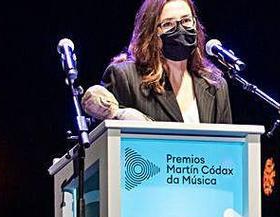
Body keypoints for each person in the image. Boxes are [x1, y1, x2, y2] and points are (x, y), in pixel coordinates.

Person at [93, 0, 232, 124]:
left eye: (186, 21)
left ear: (195, 24)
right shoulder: (124, 77)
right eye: (168, 24)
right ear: (151, 32)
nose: (180, 30)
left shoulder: (215, 84)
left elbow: (228, 146)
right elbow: (103, 141)